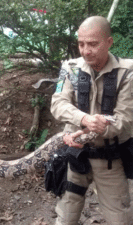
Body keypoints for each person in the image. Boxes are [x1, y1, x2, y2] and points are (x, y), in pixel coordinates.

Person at [51, 16, 133, 224]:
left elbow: (126, 118)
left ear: (109, 42)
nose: (86, 50)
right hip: (74, 157)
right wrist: (84, 119)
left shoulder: (128, 73)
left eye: (93, 44)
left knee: (121, 219)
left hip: (110, 162)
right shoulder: (68, 68)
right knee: (65, 218)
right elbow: (57, 104)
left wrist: (102, 128)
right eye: (81, 44)